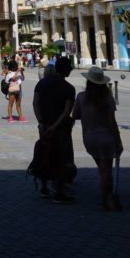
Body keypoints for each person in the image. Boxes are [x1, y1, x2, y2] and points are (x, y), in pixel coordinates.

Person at [72, 67, 123, 211]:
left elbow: (75, 115)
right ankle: (105, 201)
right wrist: (118, 141)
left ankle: (110, 196)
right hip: (106, 137)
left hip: (89, 139)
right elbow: (112, 122)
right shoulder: (107, 98)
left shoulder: (82, 97)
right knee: (106, 171)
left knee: (103, 169)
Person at [32, 56, 76, 203]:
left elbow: (35, 104)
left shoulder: (41, 84)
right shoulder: (69, 88)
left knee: (45, 154)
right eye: (69, 68)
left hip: (44, 127)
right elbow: (67, 110)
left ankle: (44, 187)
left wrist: (41, 123)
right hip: (60, 129)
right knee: (61, 158)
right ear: (66, 70)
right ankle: (58, 191)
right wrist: (54, 126)